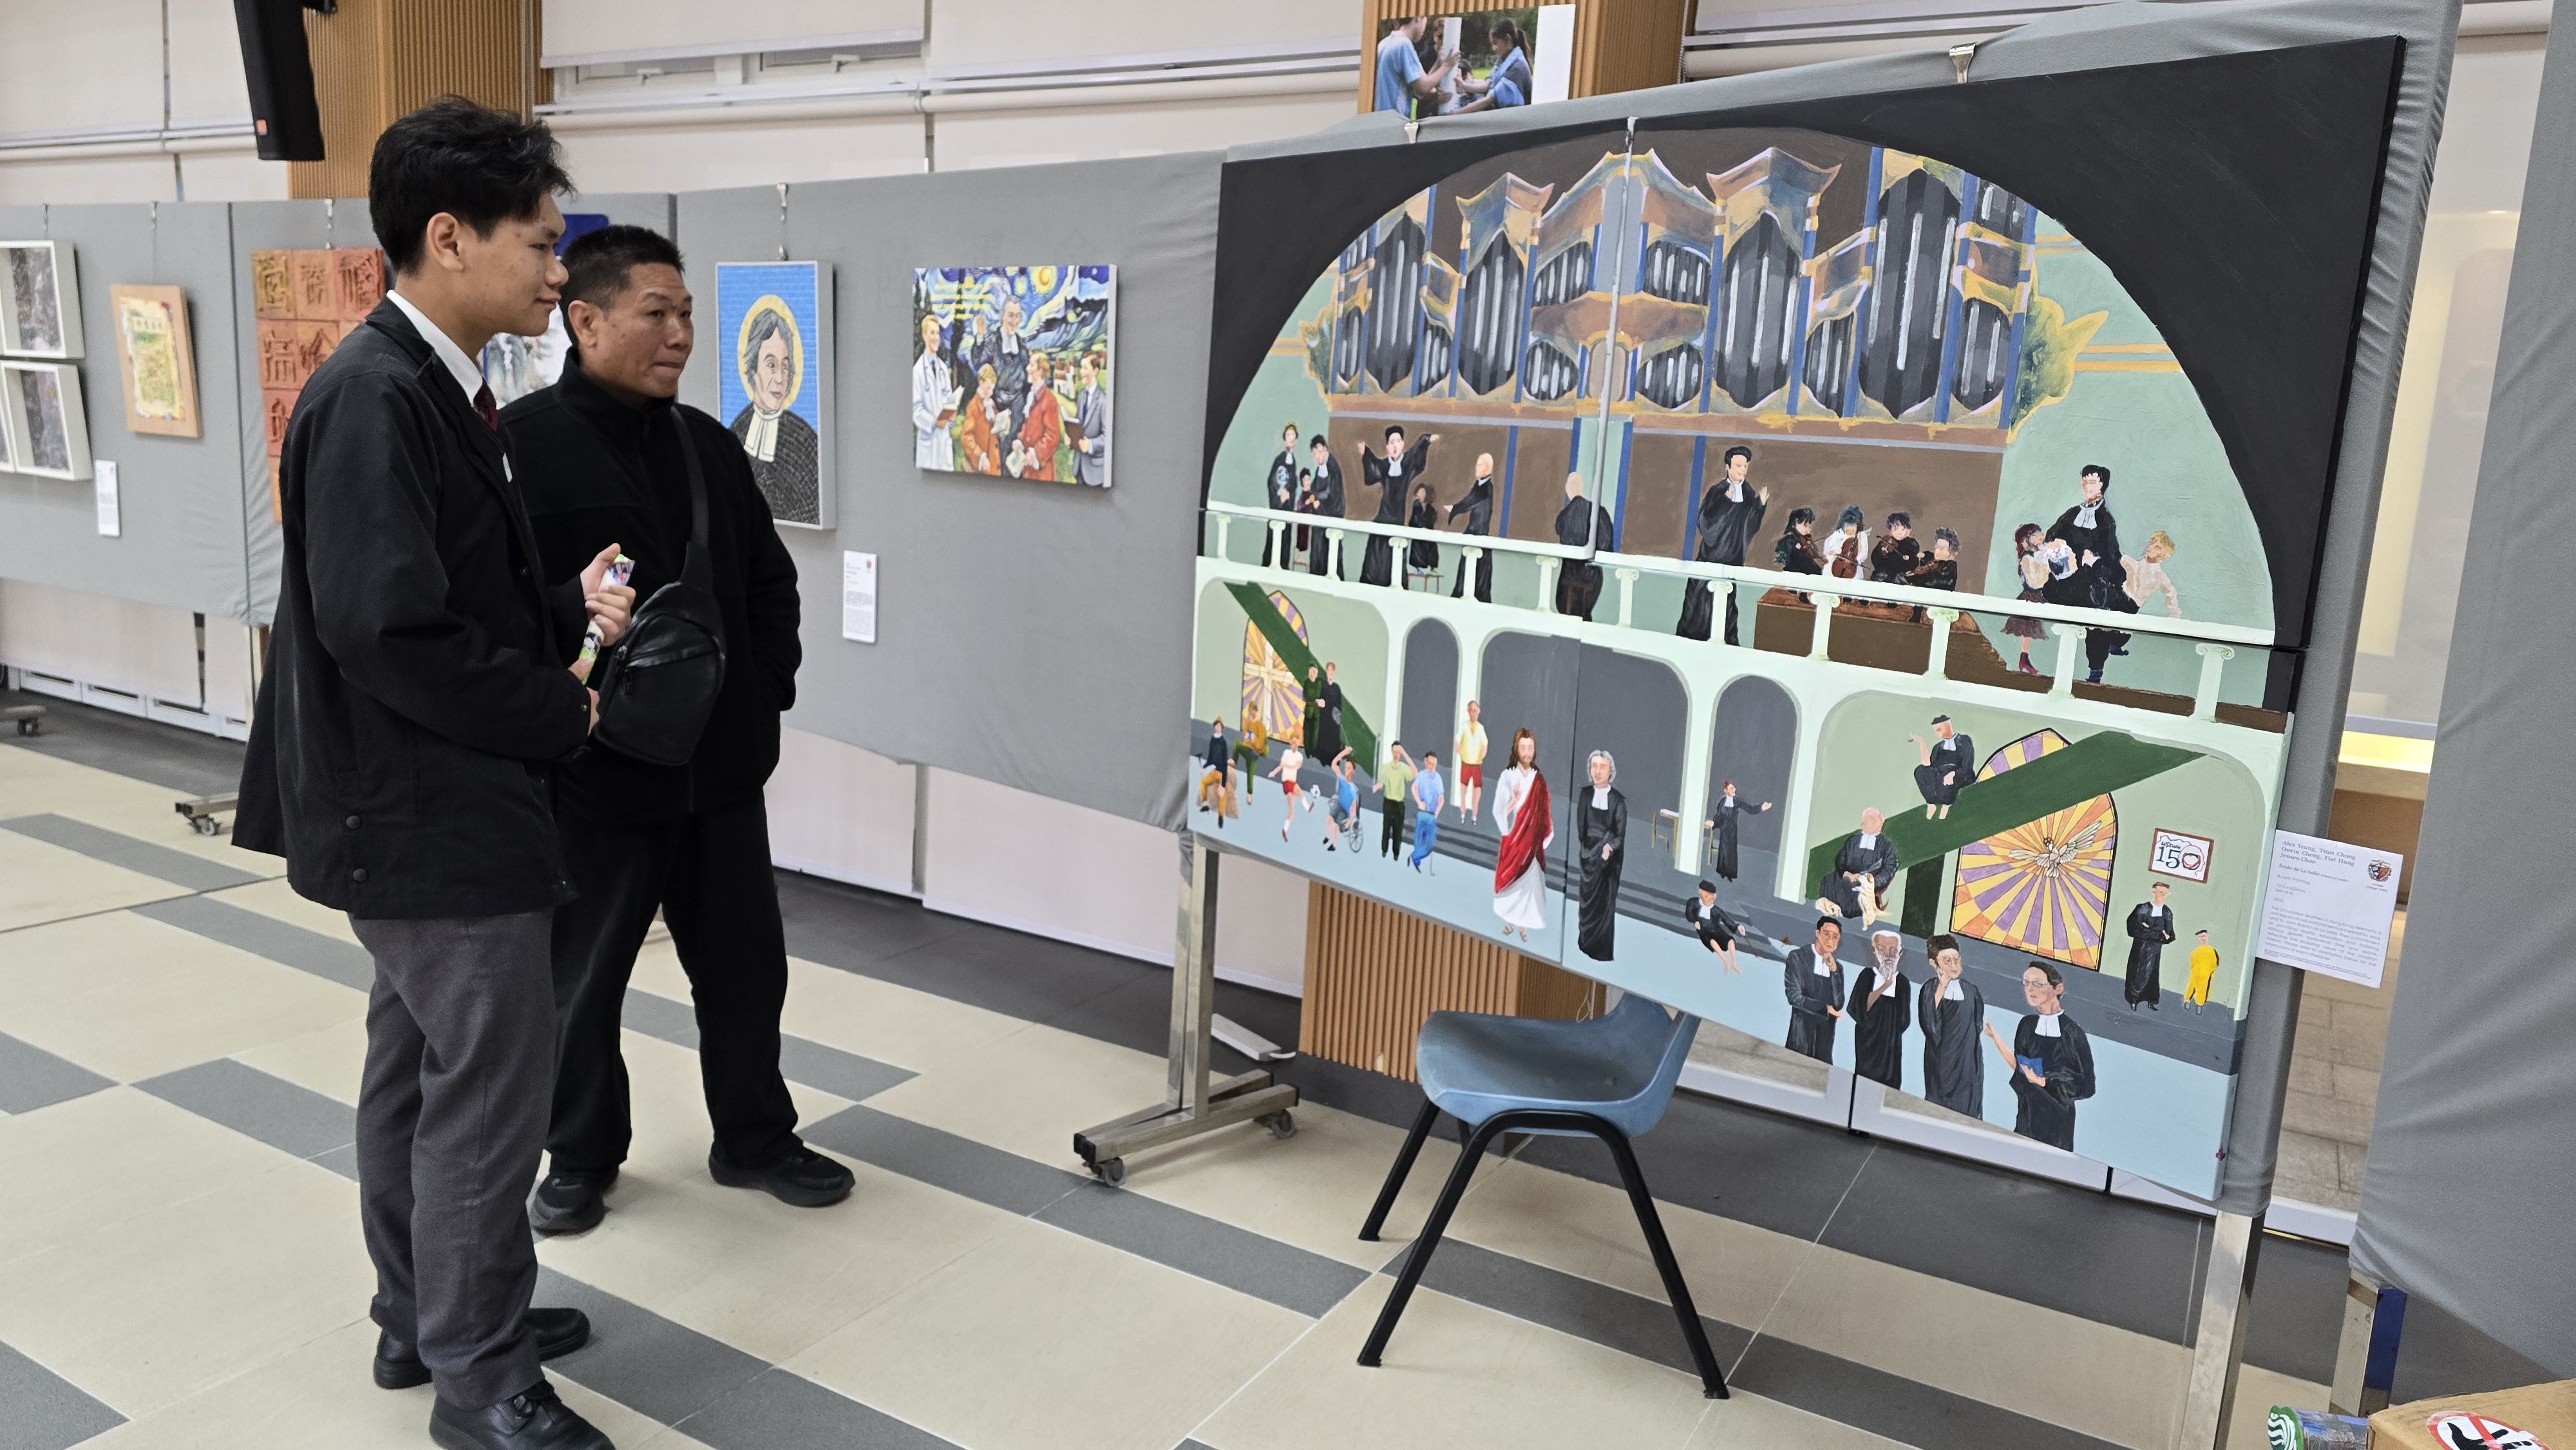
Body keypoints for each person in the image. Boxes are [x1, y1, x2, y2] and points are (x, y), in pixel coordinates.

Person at [234, 98, 633, 1450]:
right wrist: (556, 706)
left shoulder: (435, 386)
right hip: (426, 811)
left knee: (417, 1071)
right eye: (541, 242)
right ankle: (481, 1377)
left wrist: (557, 610)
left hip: (421, 798)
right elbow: (389, 630)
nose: (557, 269)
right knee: (485, 1099)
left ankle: (426, 1314)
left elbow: (438, 591)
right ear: (449, 238)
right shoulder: (377, 395)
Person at [506, 223, 851, 1248]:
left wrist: (764, 693)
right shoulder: (522, 448)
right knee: (580, 982)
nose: (680, 334)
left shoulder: (707, 443)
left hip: (720, 774)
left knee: (746, 970)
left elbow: (768, 582)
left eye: (687, 313)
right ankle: (580, 1156)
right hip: (595, 775)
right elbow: (502, 610)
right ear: (585, 320)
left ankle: (754, 1137)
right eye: (655, 312)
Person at [1985, 960, 2095, 1151]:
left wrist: (2046, 1081)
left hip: (2057, 1124)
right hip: (2027, 1116)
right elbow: (2021, 1068)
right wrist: (1995, 1038)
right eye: (2026, 983)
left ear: (2058, 989)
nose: (2030, 989)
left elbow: (2087, 1086)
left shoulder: (2072, 1032)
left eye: (2037, 983)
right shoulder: (2026, 1026)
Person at [728, 306, 820, 525]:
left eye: (785, 366)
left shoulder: (805, 440)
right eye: (771, 365)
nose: (780, 378)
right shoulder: (735, 434)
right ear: (753, 370)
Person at [2045, 464, 2135, 683]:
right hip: (2069, 576)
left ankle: (2096, 670)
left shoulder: (2105, 521)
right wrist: (2057, 544)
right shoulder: (2073, 514)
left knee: (2099, 616)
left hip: (2093, 579)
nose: (2087, 486)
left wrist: (2094, 561)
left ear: (2102, 486)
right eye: (2085, 481)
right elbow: (2052, 534)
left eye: (2092, 482)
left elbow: (2111, 555)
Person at [1677, 444, 1768, 644]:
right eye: (1738, 465)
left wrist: (1760, 505)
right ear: (1728, 467)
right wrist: (1725, 502)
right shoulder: (1717, 492)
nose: (1742, 470)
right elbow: (1706, 524)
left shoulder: (1748, 492)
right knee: (1699, 607)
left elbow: (1750, 526)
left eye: (1745, 466)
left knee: (1727, 608)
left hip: (1732, 560)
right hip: (1710, 559)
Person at [1492, 728, 1551, 941]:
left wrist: (1543, 837)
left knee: (1530, 884)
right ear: (1516, 750)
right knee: (1514, 885)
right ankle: (1510, 920)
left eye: (1530, 748)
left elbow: (1545, 812)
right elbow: (1499, 811)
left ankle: (1525, 924)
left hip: (1533, 843)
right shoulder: (1508, 776)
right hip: (1515, 839)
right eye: (1523, 748)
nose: (1527, 752)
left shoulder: (1539, 781)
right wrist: (1514, 802)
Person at [1916, 934, 1985, 1118]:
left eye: (1956, 960)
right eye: (1947, 961)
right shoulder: (1930, 989)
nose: (1954, 966)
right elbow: (1929, 1026)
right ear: (1934, 963)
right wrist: (1942, 987)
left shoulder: (1971, 991)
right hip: (1940, 1066)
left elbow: (1977, 1025)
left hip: (1968, 1067)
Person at [1359, 425, 1435, 587]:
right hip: (1383, 518)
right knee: (1376, 561)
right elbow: (1372, 469)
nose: (1395, 446)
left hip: (1398, 520)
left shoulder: (1407, 465)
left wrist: (1426, 440)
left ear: (1403, 444)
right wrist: (1365, 452)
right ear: (1387, 447)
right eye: (1391, 442)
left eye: (1398, 441)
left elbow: (1415, 453)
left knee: (1395, 563)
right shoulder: (1384, 466)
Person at [1575, 750, 1626, 962]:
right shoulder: (1585, 795)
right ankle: (1585, 942)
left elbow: (1620, 835)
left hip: (1607, 864)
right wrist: (1591, 850)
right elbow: (1581, 830)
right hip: (1588, 859)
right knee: (1586, 906)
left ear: (1610, 771)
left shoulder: (1618, 801)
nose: (1597, 771)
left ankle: (1601, 950)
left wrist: (1608, 848)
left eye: (1602, 767)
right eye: (1594, 766)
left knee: (1604, 908)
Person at [1848, 928, 1913, 1091]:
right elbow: (1857, 1009)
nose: (1888, 954)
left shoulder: (1903, 982)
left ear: (1900, 954)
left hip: (1891, 1049)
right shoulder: (1867, 976)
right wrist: (1884, 986)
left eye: (1893, 950)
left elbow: (1904, 1021)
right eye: (1882, 948)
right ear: (1875, 950)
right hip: (1867, 1045)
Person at [1814, 807, 1899, 925]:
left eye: (1873, 821)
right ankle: (1831, 912)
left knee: (1854, 890)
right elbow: (1841, 859)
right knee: (1829, 881)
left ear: (1880, 824)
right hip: (1848, 875)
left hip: (1868, 882)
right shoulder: (1853, 840)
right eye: (1867, 821)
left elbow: (1891, 867)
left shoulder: (1886, 846)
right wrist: (1846, 873)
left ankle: (1847, 921)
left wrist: (1870, 882)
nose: (1868, 824)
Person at [1783, 916, 1846, 1063]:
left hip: (1825, 1044)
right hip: (1801, 1039)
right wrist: (1825, 1009)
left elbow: (1838, 1004)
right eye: (1826, 934)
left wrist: (1834, 972)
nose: (1830, 940)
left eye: (1835, 937)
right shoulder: (1798, 957)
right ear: (1818, 933)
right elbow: (1794, 997)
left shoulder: (1837, 967)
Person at [1374, 15, 1459, 115]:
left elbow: (1419, 87)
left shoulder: (1385, 43)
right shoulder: (1404, 45)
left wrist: (1435, 97)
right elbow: (1422, 88)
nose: (1424, 29)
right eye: (1425, 21)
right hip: (1395, 118)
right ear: (1418, 18)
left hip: (1381, 117)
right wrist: (1446, 66)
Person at [1555, 472, 1610, 619]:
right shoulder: (1599, 512)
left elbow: (1562, 537)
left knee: (1568, 614)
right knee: (1584, 615)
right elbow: (1606, 544)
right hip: (1594, 576)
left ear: (1568, 489)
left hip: (1570, 575)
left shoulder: (1565, 515)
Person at [974, 295, 1030, 437]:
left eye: (1017, 316)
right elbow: (978, 363)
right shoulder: (992, 341)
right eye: (1011, 315)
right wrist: (980, 336)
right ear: (1002, 316)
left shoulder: (1021, 345)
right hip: (996, 403)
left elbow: (1027, 378)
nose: (1014, 321)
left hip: (1017, 405)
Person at [910, 313, 957, 470]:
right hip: (928, 445)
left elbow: (949, 401)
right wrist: (934, 422)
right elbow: (916, 409)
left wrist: (952, 415)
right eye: (932, 333)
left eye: (938, 333)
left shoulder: (943, 368)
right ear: (924, 336)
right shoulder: (917, 371)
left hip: (944, 443)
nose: (936, 337)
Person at [1448, 453, 1497, 602]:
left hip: (1478, 536)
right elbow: (1470, 499)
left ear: (1487, 469)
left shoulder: (1486, 488)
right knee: (1467, 574)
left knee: (1477, 578)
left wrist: (1455, 508)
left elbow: (1471, 501)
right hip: (1473, 535)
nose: (1476, 468)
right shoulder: (1479, 486)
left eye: (1479, 465)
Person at [1008, 350, 1064, 480]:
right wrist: (1020, 441)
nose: (1027, 368)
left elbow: (1053, 437)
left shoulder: (1049, 400)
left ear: (1040, 371)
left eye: (1032, 365)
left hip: (1042, 470)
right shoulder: (1032, 395)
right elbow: (1028, 425)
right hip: (1028, 466)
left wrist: (1035, 454)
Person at [1908, 715, 1975, 820]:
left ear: (1947, 725)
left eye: (1939, 730)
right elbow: (1928, 766)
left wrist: (1953, 774)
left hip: (1960, 775)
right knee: (1920, 771)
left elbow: (1967, 765)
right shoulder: (1938, 747)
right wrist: (1922, 742)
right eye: (1935, 731)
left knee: (1947, 774)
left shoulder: (1964, 740)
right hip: (1942, 778)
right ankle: (1931, 804)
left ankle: (1946, 805)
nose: (1937, 734)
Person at [2123, 880, 2177, 1010]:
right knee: (2137, 973)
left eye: (2165, 893)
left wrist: (2149, 929)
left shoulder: (2167, 912)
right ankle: (2133, 1000)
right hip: (2140, 948)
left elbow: (2169, 935)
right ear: (2154, 891)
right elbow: (2133, 929)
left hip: (2155, 950)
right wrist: (2158, 933)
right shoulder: (2142, 909)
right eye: (2161, 892)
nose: (2163, 895)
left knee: (2152, 974)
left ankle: (2151, 1001)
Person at [2003, 522, 2049, 674]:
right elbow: (2034, 582)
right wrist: (2046, 566)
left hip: (2039, 594)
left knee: (2029, 630)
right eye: (2035, 535)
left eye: (2040, 533)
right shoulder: (2027, 558)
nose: (2040, 536)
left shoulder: (2041, 553)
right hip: (2032, 595)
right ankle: (2024, 659)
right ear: (2026, 540)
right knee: (2028, 629)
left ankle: (2025, 659)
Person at [1705, 781, 1772, 883]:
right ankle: (1722, 873)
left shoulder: (1737, 801)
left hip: (1732, 831)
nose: (1734, 789)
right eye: (1731, 788)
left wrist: (1762, 807)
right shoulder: (1722, 802)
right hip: (1724, 831)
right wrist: (1713, 822)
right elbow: (1719, 816)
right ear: (1726, 791)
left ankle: (1730, 874)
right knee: (1724, 850)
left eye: (1734, 788)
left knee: (1731, 852)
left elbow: (1750, 809)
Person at [1304, 433, 1345, 579]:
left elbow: (1330, 492)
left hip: (1331, 516)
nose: (1316, 457)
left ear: (1324, 449)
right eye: (1314, 454)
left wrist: (1317, 498)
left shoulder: (1332, 467)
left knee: (1330, 556)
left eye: (1318, 453)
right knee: (1318, 553)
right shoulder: (1320, 468)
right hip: (1320, 516)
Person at [1263, 421, 1301, 566]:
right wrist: (1280, 497)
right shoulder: (1280, 459)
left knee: (1285, 536)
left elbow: (1293, 482)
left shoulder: (1293, 460)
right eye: (1288, 435)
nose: (1290, 438)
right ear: (1285, 439)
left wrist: (1290, 494)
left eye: (1293, 435)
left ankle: (1283, 564)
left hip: (1288, 506)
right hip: (1279, 505)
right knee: (1275, 535)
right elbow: (1273, 480)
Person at [1684, 880, 1741, 974]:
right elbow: (1689, 914)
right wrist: (1695, 921)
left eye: (1712, 895)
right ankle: (1726, 961)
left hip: (1717, 930)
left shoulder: (1716, 910)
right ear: (1701, 892)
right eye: (1708, 895)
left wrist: (1737, 927)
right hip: (1704, 930)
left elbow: (1727, 920)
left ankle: (1734, 963)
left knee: (1730, 940)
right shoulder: (1693, 902)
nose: (1710, 898)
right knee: (1712, 942)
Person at [1072, 350, 1110, 489]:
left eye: (1085, 368)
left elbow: (1107, 438)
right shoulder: (1082, 395)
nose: (1081, 372)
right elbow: (1078, 425)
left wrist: (1091, 445)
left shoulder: (1104, 401)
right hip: (1079, 468)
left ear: (1095, 371)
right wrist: (1071, 438)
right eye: (1081, 367)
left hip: (1095, 473)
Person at [2127, 529, 2181, 617]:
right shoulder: (2133, 564)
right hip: (2120, 601)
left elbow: (2171, 592)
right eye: (2151, 543)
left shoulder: (2159, 576)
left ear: (2162, 553)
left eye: (2156, 547)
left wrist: (2174, 615)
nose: (2150, 547)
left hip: (2132, 608)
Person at [959, 364, 1001, 475]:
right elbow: (966, 437)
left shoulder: (990, 403)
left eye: (992, 388)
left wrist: (1002, 422)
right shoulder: (973, 407)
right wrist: (980, 456)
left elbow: (995, 421)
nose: (991, 392)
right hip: (983, 465)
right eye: (989, 388)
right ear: (981, 383)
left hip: (993, 459)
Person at [1378, 739, 1416, 860]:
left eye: (1399, 752)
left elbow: (1415, 773)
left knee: (1398, 830)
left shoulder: (1404, 768)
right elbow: (1381, 783)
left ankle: (1396, 853)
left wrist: (1405, 753)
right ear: (1391, 751)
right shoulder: (1385, 767)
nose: (1396, 754)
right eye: (1395, 751)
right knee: (1386, 828)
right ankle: (1384, 850)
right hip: (1388, 801)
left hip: (1399, 804)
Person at [1454, 699, 1488, 822]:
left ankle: (1474, 815)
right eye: (1471, 711)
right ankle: (1463, 813)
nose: (1473, 713)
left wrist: (1481, 755)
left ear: (1478, 711)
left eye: (1475, 711)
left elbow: (1485, 744)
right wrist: (1462, 753)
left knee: (1477, 790)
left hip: (1477, 765)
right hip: (1466, 764)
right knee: (1463, 790)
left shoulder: (1481, 728)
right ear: (1468, 711)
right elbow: (1457, 742)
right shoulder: (1464, 727)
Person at [1409, 749, 1444, 871]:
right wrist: (1419, 802)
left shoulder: (1438, 778)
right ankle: (1416, 862)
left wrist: (1437, 813)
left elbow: (1441, 799)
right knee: (1418, 842)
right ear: (1425, 761)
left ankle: (1414, 856)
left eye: (1434, 765)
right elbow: (1413, 788)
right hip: (1422, 813)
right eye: (1430, 763)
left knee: (1428, 846)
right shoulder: (1422, 775)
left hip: (1431, 815)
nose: (1432, 767)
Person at [1269, 740, 1309, 842]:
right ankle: (1307, 807)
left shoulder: (1299, 756)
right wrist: (1274, 772)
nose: (1295, 746)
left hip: (1292, 781)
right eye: (1293, 744)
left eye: (1296, 745)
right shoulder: (1287, 753)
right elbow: (1281, 765)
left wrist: (1287, 765)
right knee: (1294, 803)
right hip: (1287, 782)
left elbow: (1297, 765)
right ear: (1291, 745)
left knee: (1293, 809)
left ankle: (1285, 829)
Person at [1309, 660, 1345, 767]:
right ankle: (1322, 758)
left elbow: (1339, 704)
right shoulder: (1323, 686)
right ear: (1326, 672)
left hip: (1333, 721)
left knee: (1332, 740)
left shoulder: (1337, 688)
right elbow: (1317, 699)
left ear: (1334, 672)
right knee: (1323, 737)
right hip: (1324, 718)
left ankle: (1332, 760)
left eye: (1332, 671)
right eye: (1329, 671)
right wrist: (1319, 702)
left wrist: (1331, 706)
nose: (1330, 673)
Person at [1819, 504, 1870, 581]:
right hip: (1836, 565)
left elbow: (1863, 555)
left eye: (1853, 529)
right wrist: (1833, 551)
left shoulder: (1862, 536)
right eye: (1847, 528)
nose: (1850, 531)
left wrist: (1854, 559)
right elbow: (1829, 547)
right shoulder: (1838, 533)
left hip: (1852, 569)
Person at [1405, 480, 1440, 587]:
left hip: (1428, 532)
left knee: (1432, 549)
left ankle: (1432, 568)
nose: (1422, 494)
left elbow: (1432, 519)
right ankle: (1418, 569)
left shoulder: (1429, 507)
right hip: (1418, 532)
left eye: (1424, 492)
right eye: (1420, 492)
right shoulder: (1416, 505)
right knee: (1418, 550)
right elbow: (1415, 519)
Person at [1868, 512, 1920, 585]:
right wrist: (1882, 554)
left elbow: (1914, 562)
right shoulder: (1885, 543)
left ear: (1908, 530)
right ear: (1891, 530)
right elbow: (1875, 560)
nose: (1899, 532)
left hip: (1902, 577)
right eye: (1896, 529)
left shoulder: (1911, 544)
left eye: (1903, 529)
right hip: (1884, 576)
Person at [1197, 716, 1233, 820]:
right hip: (1215, 771)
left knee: (1222, 792)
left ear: (1222, 728)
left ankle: (1221, 815)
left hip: (1222, 772)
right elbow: (1211, 758)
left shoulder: (1223, 741)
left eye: (1219, 726)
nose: (1217, 727)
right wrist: (1204, 766)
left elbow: (1225, 762)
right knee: (1203, 782)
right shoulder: (1213, 739)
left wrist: (1223, 784)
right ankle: (1205, 804)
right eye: (1216, 726)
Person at [1325, 751, 1361, 851]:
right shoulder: (1341, 778)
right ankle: (1327, 836)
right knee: (1329, 819)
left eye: (1349, 768)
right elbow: (1334, 764)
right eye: (1346, 767)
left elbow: (1353, 809)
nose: (1347, 770)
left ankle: (1334, 845)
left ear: (1353, 771)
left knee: (1336, 826)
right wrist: (1345, 752)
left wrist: (1350, 821)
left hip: (1345, 811)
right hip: (1338, 804)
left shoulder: (1353, 791)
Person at [1775, 506, 1823, 576]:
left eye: (1810, 526)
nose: (1808, 529)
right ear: (1795, 523)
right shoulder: (1788, 541)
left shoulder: (1805, 540)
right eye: (1805, 525)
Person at [1231, 707, 1267, 800]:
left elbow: (1260, 744)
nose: (1253, 713)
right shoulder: (1249, 723)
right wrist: (1248, 722)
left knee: (1250, 773)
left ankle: (1249, 793)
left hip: (1254, 753)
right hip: (1247, 749)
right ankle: (1234, 760)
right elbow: (1245, 735)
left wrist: (1254, 740)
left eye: (1255, 710)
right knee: (1237, 744)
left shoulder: (1260, 725)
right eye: (1252, 711)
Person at [2184, 928, 2220, 1012]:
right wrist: (2195, 969)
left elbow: (2215, 963)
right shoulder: (2197, 950)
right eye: (2200, 937)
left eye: (2203, 936)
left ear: (2207, 936)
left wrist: (2208, 971)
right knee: (2191, 986)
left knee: (2202, 989)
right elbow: (2192, 959)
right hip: (2196, 973)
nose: (2202, 938)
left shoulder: (2212, 951)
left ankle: (2199, 1005)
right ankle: (2187, 1001)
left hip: (2205, 974)